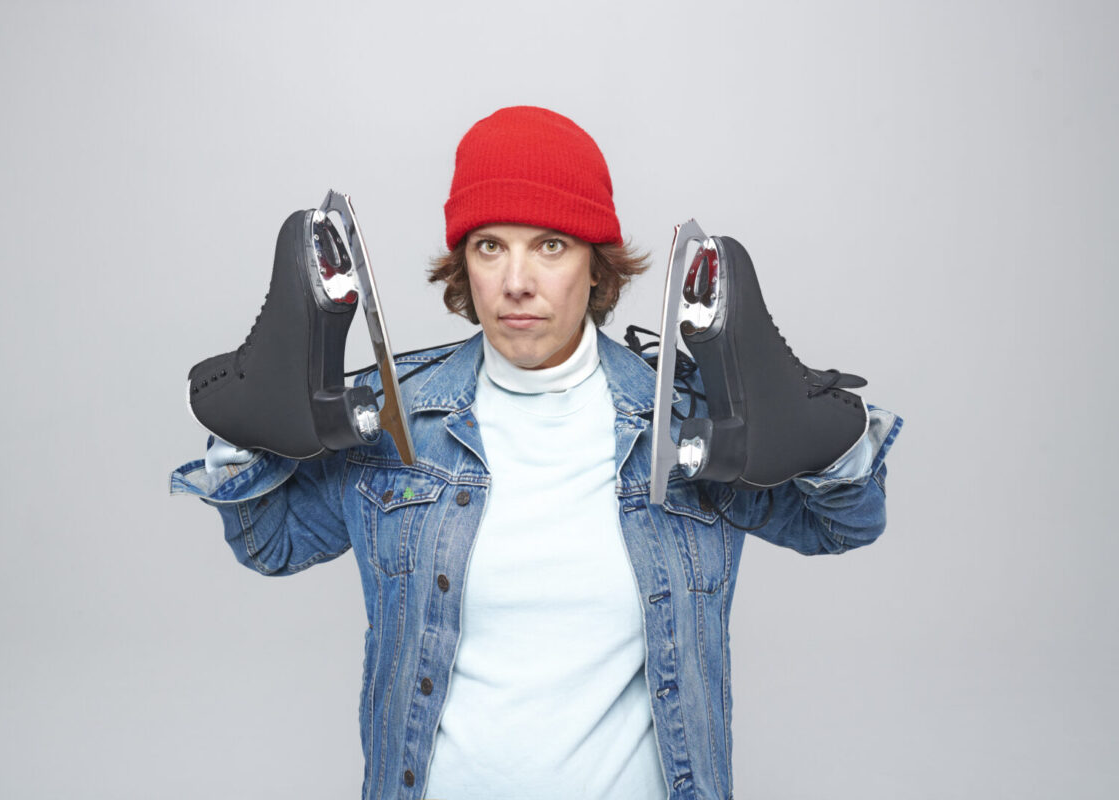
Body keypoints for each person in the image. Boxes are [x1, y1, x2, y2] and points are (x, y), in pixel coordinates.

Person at [170, 106, 903, 800]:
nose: (516, 282)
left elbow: (840, 526)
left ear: (595, 265)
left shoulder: (684, 428)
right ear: (465, 265)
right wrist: (249, 435)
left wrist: (826, 442)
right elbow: (271, 546)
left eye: (550, 245)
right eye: (491, 247)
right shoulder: (393, 423)